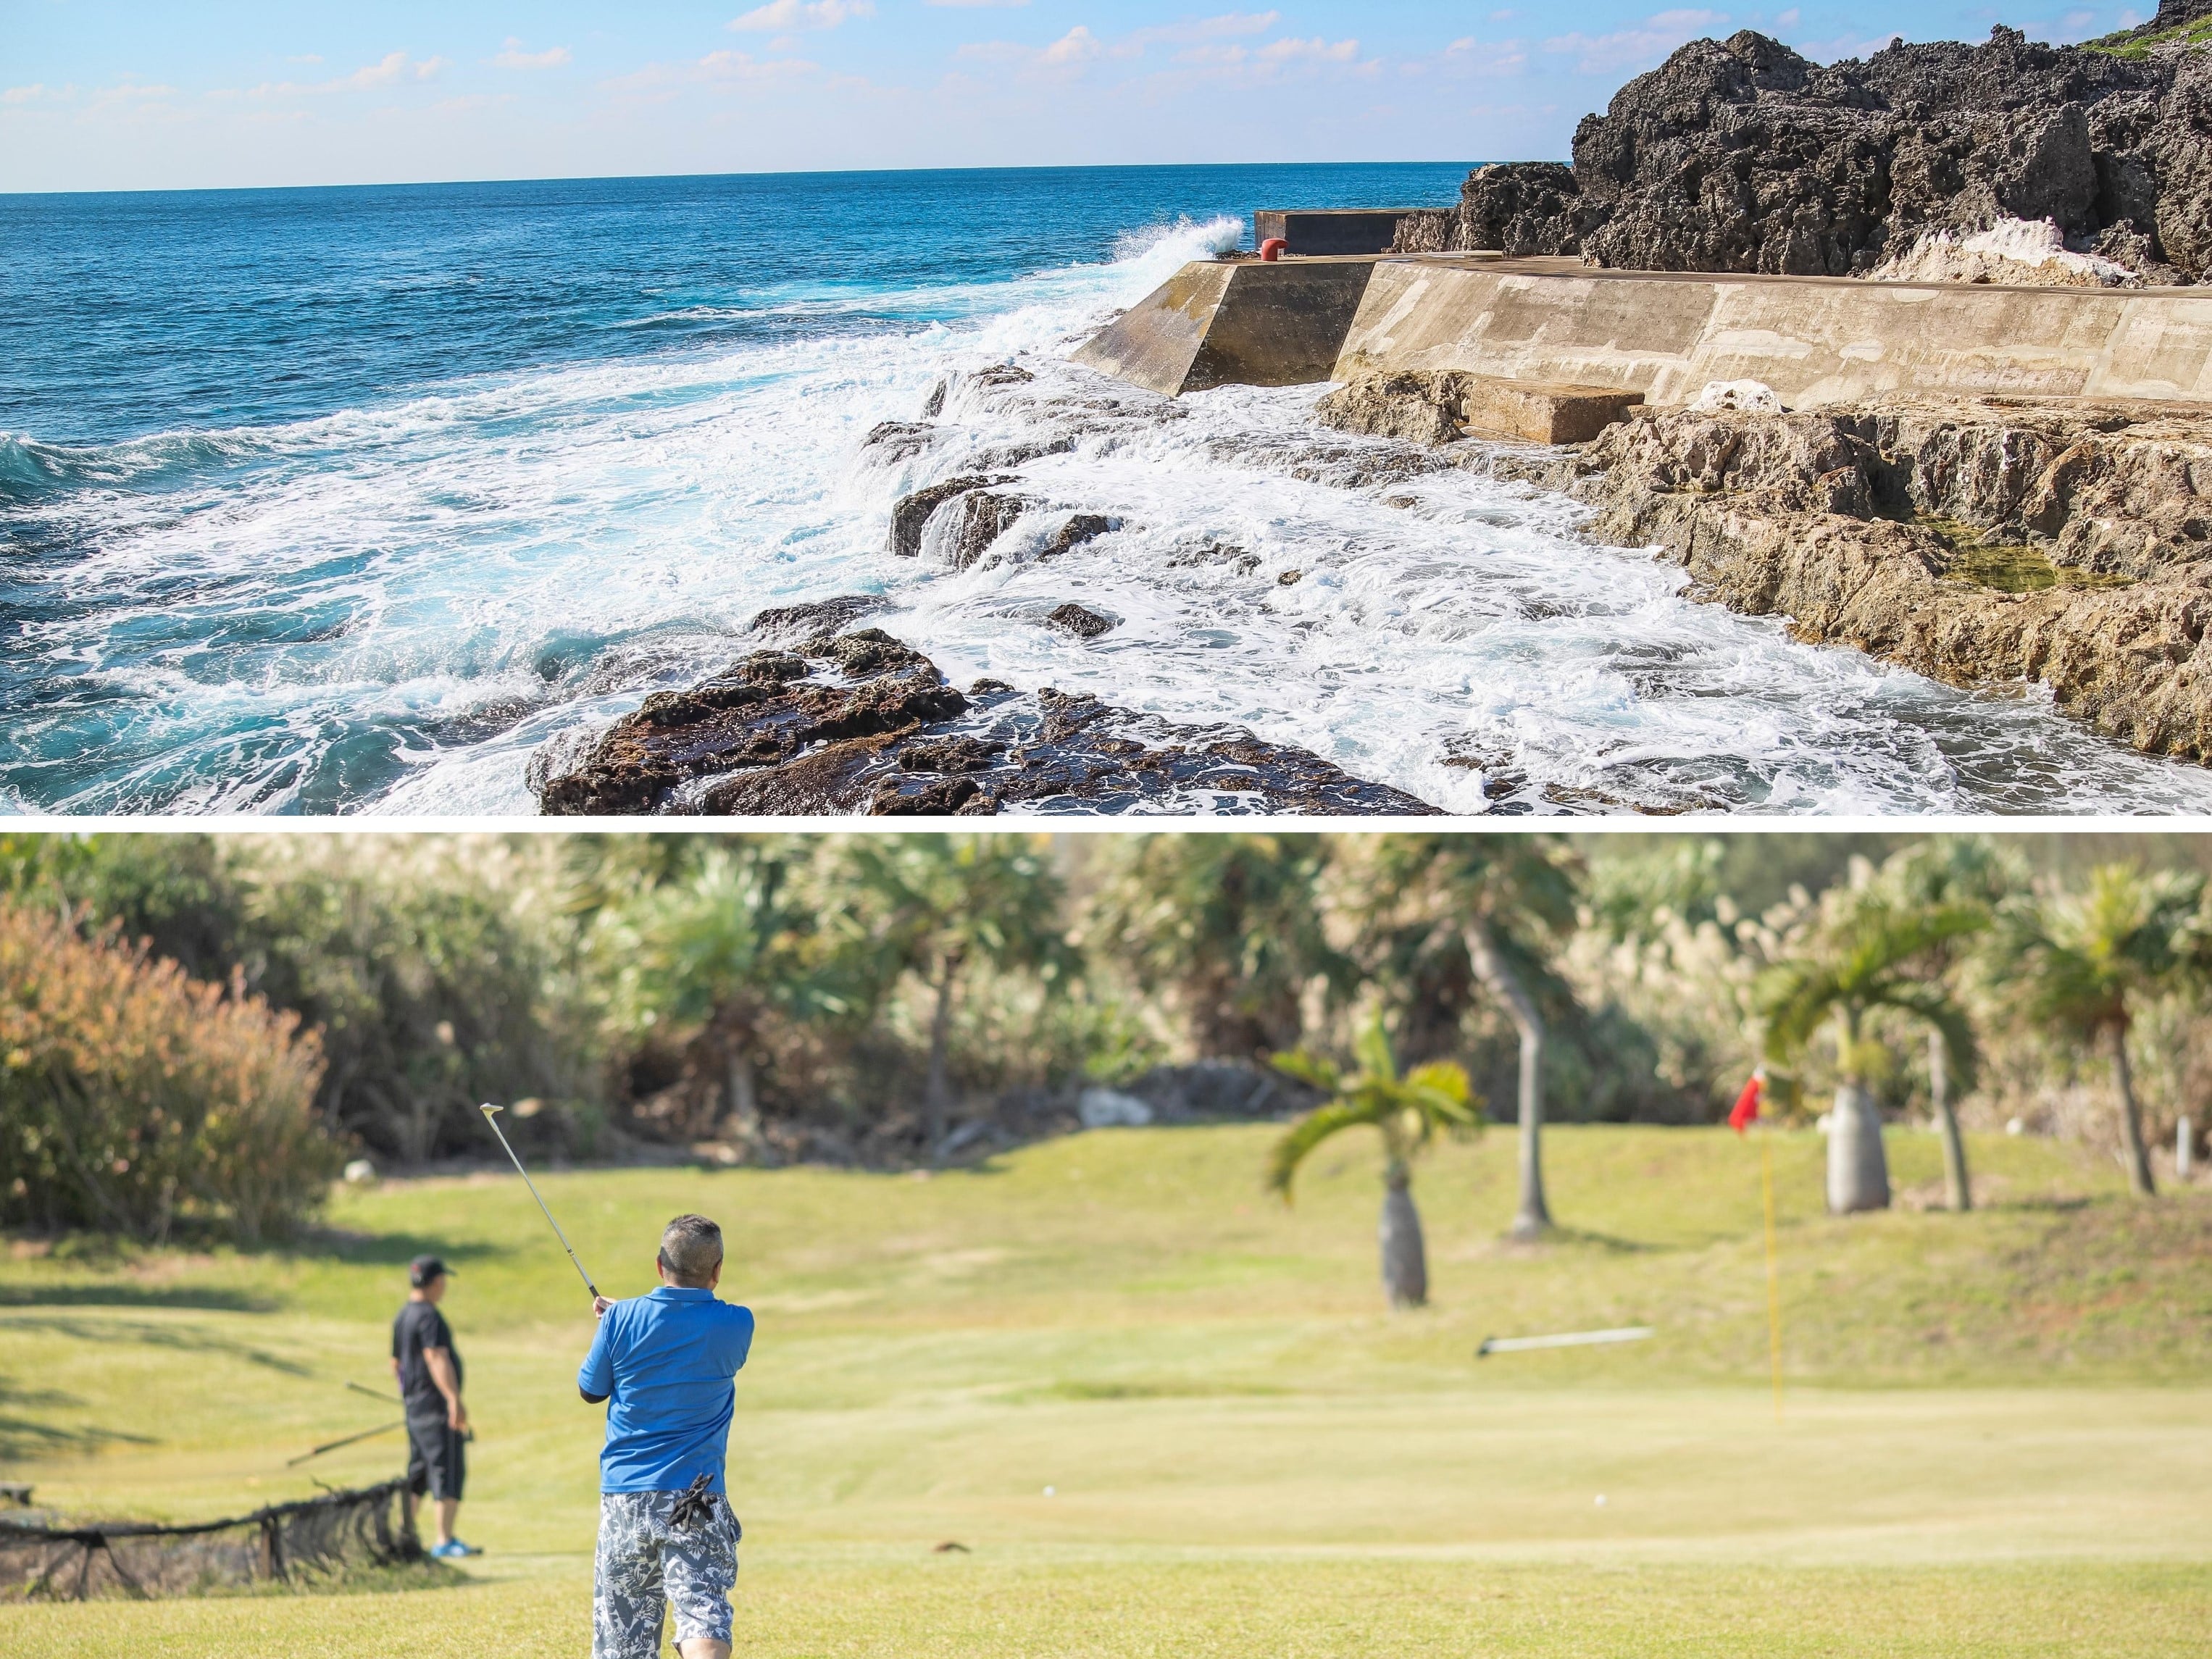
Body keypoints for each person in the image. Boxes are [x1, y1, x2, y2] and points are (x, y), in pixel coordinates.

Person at [578, 1214, 755, 1659]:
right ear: (717, 1270)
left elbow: (591, 1391)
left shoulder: (620, 1321)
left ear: (659, 1265)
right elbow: (682, 1331)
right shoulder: (737, 1323)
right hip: (696, 1497)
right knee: (702, 1612)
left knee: (625, 1638)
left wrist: (617, 1321)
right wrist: (625, 1318)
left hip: (625, 1497)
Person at [391, 1253, 479, 1560]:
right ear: (436, 1282)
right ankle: (445, 1540)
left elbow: (396, 1364)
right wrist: (453, 1399)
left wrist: (409, 1395)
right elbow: (436, 1357)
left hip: (416, 1407)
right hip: (437, 1408)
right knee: (447, 1468)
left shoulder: (403, 1316)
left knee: (418, 1472)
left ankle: (404, 1532)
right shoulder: (429, 1316)